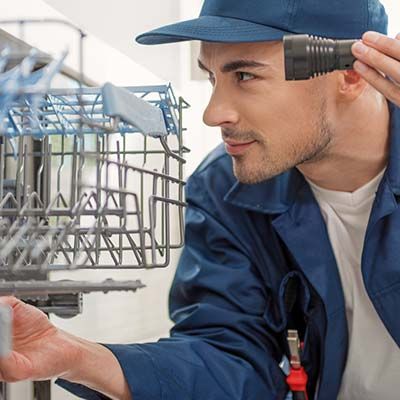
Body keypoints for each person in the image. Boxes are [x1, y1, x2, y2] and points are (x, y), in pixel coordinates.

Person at [1, 0, 400, 399]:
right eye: (212, 78)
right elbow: (229, 357)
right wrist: (78, 356)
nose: (214, 113)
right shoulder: (225, 191)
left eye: (244, 75)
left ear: (349, 73)